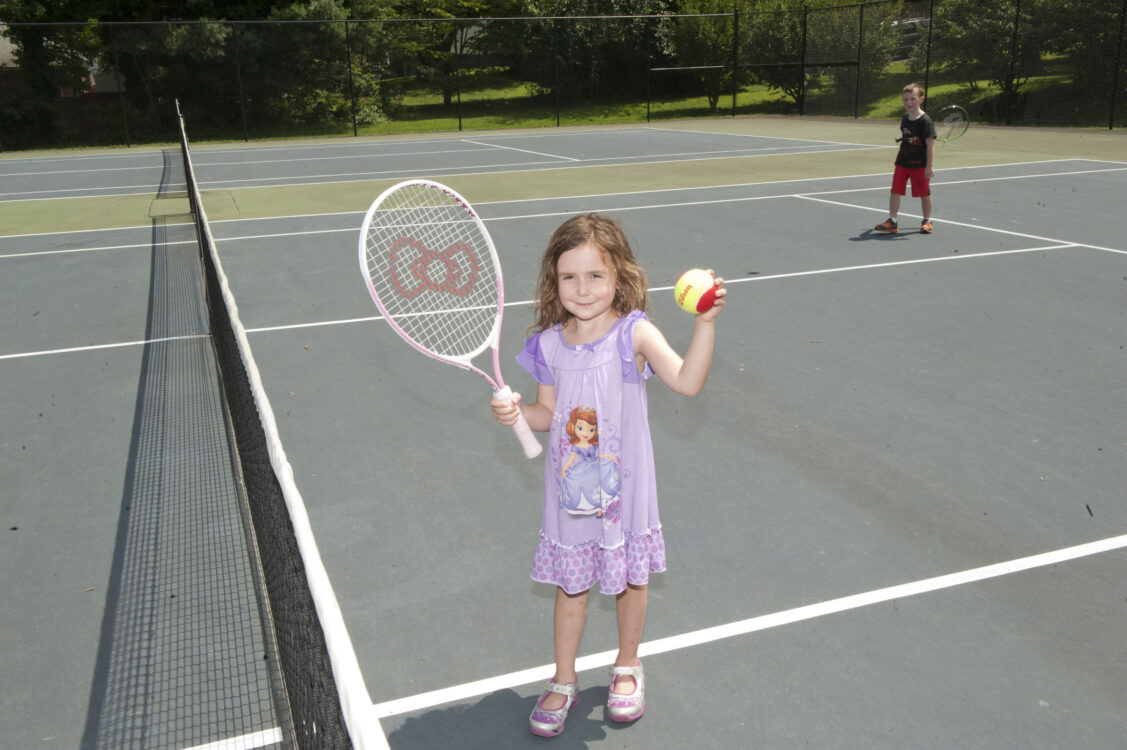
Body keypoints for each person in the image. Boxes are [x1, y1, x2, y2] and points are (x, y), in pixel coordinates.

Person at [490, 214, 726, 737]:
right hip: (573, 493)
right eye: (569, 277)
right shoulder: (548, 345)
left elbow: (687, 383)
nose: (583, 288)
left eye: (596, 275)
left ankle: (627, 666)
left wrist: (704, 324)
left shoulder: (633, 333)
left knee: (630, 579)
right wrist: (517, 413)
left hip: (625, 493)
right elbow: (547, 417)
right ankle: (564, 679)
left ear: (620, 276)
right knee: (571, 587)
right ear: (554, 282)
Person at [875, 82, 936, 234]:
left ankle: (927, 221)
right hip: (902, 162)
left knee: (924, 192)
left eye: (912, 99)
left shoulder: (926, 121)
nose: (909, 102)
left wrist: (929, 166)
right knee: (895, 190)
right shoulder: (905, 118)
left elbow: (930, 145)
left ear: (921, 99)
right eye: (905, 99)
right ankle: (892, 221)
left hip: (920, 164)